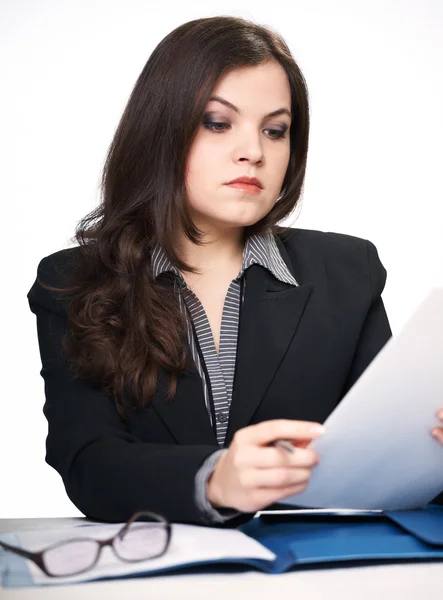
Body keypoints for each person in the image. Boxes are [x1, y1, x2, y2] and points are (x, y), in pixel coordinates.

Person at [27, 16, 443, 528]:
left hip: (314, 573)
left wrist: (434, 454)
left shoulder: (347, 272)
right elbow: (87, 461)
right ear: (161, 129)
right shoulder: (73, 283)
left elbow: (388, 462)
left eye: (276, 130)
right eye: (218, 123)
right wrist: (215, 479)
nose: (255, 151)